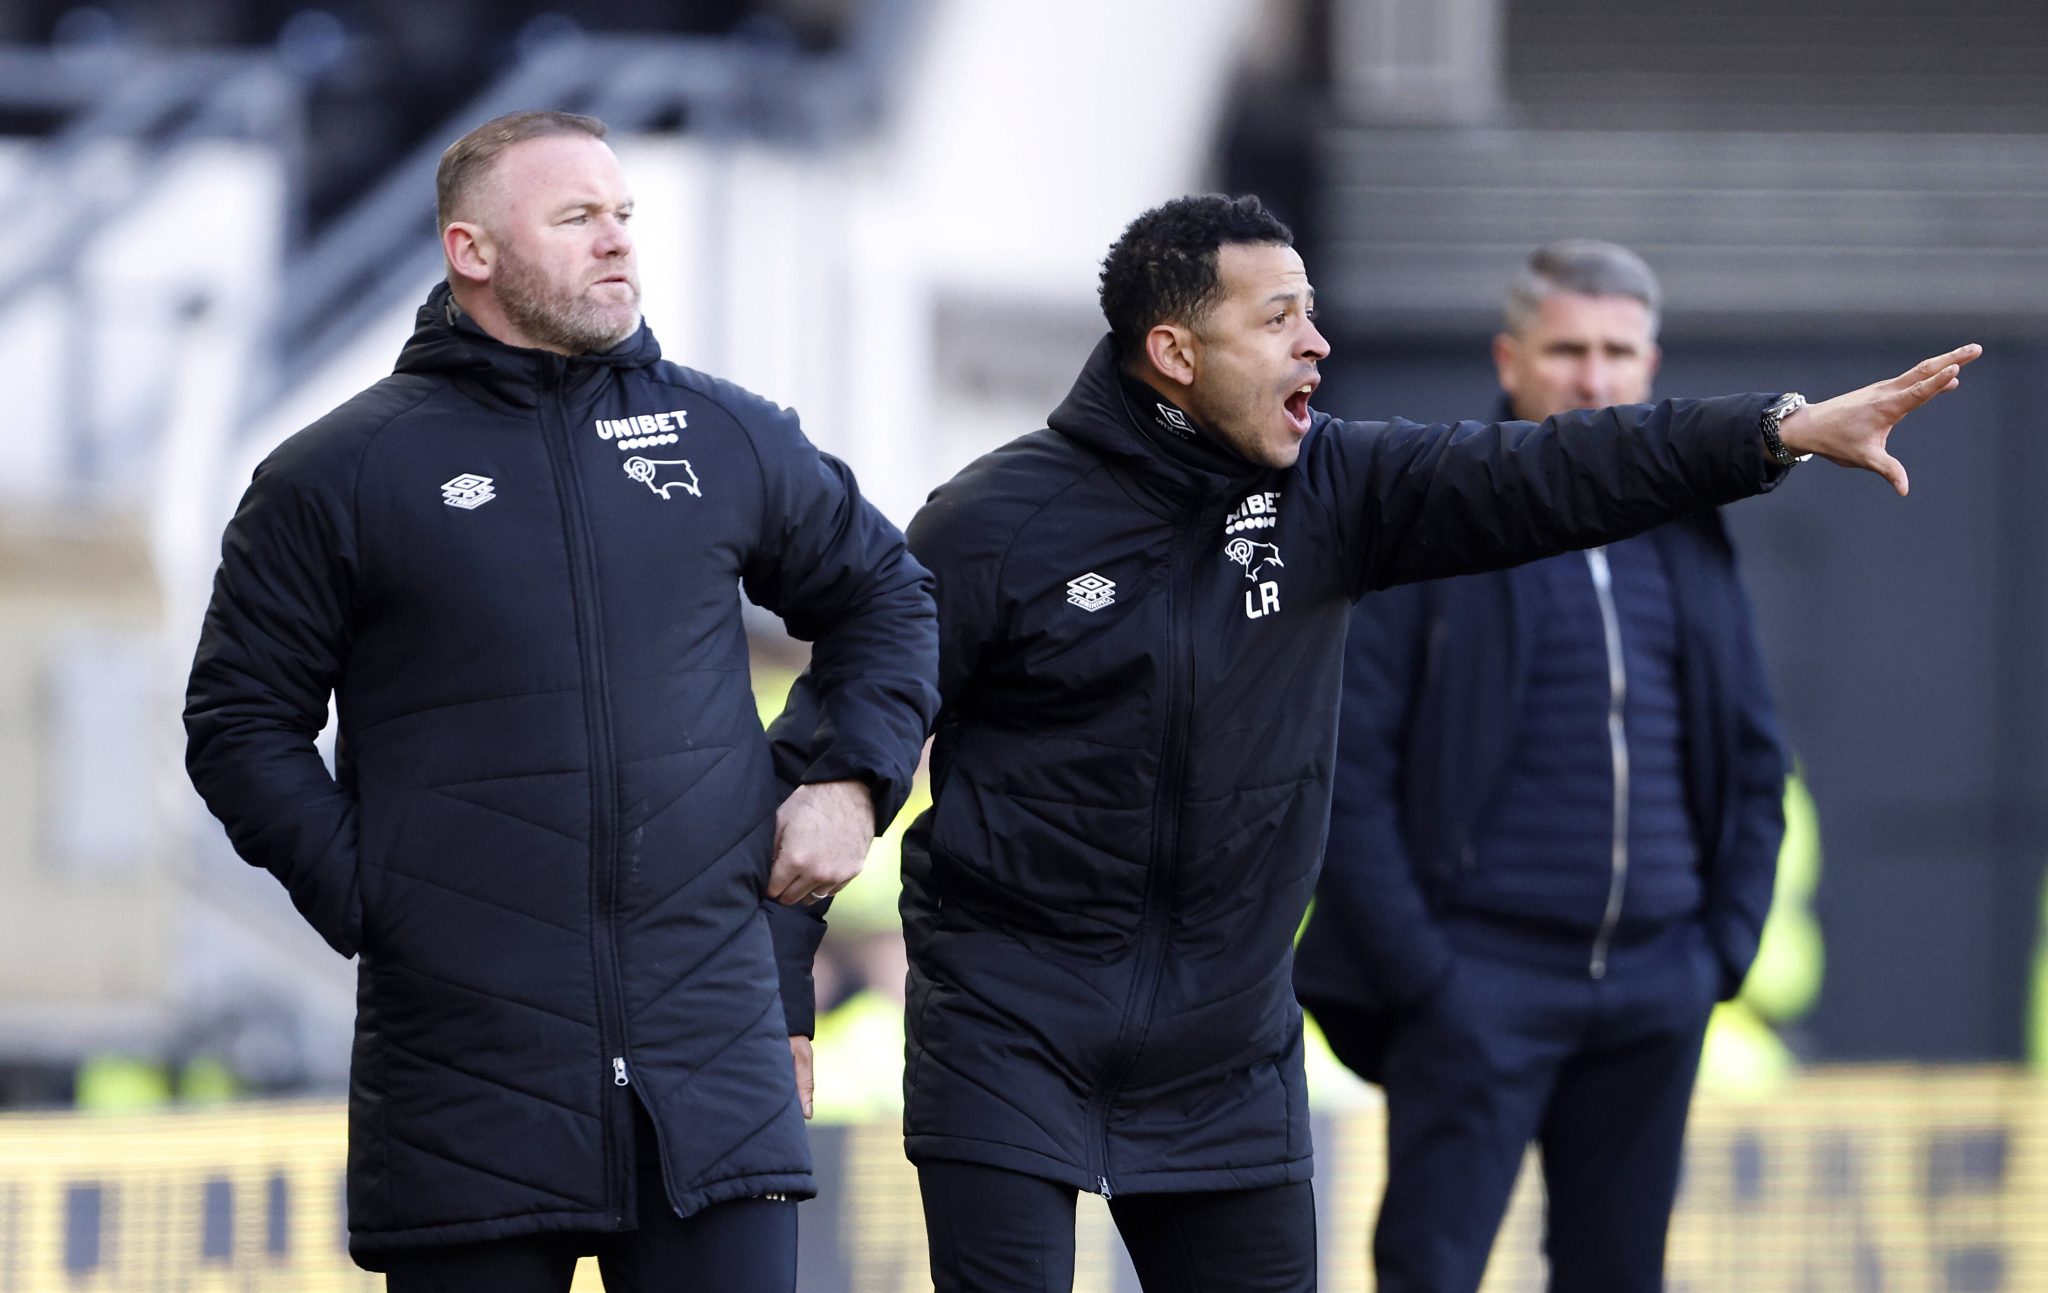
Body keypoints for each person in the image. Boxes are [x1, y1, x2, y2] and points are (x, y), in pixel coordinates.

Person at [881, 195, 1975, 1291]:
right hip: (1011, 1036)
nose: (1315, 342)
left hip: (1226, 1056)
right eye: (1276, 321)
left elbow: (1559, 474)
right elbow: (847, 741)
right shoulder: (988, 525)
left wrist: (1770, 431)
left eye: (1310, 313)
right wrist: (784, 1003)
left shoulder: (1333, 488)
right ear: (1172, 351)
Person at [182, 110, 939, 1291]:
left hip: (710, 1077)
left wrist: (847, 778)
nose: (617, 244)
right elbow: (238, 724)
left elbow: (889, 597)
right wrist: (380, 898)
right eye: (576, 218)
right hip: (464, 1084)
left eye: (624, 216)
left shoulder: (722, 433)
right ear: (471, 251)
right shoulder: (340, 472)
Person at [1292, 239, 1788, 1291]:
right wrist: (1430, 977)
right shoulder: (1431, 516)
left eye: (1617, 350)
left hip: (1657, 982)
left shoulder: (1686, 529)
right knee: (1429, 1269)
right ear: (1507, 358)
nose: (1594, 376)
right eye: (1567, 348)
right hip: (1478, 983)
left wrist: (1717, 954)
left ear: (1650, 368)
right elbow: (1346, 766)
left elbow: (1750, 753)